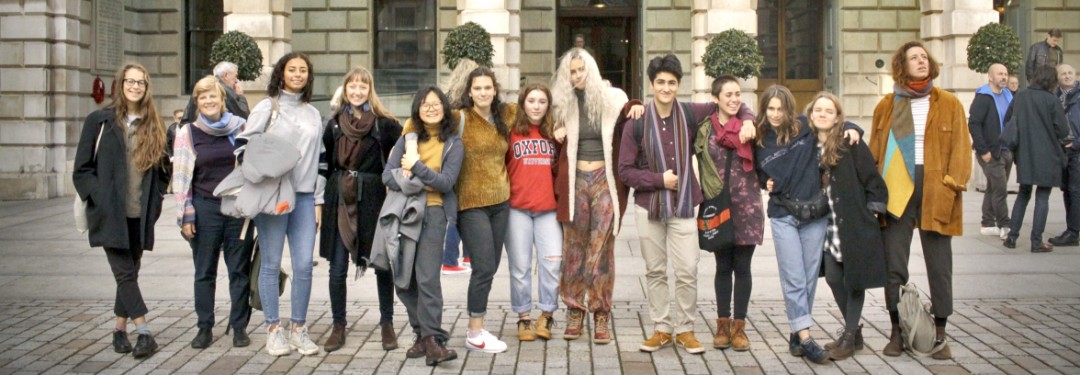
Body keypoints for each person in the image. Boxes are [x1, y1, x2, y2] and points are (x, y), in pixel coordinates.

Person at [618, 56, 753, 355]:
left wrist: (747, 119)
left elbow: (732, 103)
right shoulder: (636, 123)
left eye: (672, 83)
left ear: (679, 85)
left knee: (687, 269)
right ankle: (662, 329)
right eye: (660, 82)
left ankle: (686, 329)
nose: (666, 88)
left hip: (683, 206)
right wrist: (658, 179)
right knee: (655, 270)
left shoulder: (691, 113)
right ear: (652, 85)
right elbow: (624, 171)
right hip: (648, 207)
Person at [869, 41, 971, 360]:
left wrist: (953, 183)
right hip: (897, 189)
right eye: (914, 58)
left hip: (936, 188)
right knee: (893, 265)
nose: (921, 61)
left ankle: (940, 332)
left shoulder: (949, 103)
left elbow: (961, 148)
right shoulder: (887, 105)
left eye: (924, 57)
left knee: (940, 265)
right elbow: (874, 151)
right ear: (902, 65)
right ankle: (897, 330)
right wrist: (872, 192)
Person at [755, 84, 860, 364]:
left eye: (781, 109)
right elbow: (754, 172)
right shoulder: (758, 138)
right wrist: (762, 182)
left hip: (815, 215)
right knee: (794, 277)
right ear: (764, 109)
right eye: (771, 109)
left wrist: (853, 128)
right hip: (782, 214)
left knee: (809, 277)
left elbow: (831, 117)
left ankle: (796, 330)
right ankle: (806, 338)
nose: (776, 115)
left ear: (790, 110)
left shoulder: (803, 126)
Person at [72, 62, 170, 359]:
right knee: (125, 273)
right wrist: (99, 196)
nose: (135, 86)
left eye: (141, 82)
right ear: (121, 84)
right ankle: (144, 333)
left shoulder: (153, 124)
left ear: (146, 87)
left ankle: (118, 329)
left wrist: (156, 200)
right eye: (130, 81)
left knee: (130, 272)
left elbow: (164, 169)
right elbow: (81, 170)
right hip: (108, 213)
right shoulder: (99, 121)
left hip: (139, 214)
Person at [551, 48, 640, 344]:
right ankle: (575, 309)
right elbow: (549, 133)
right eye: (572, 72)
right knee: (574, 247)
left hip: (605, 180)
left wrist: (638, 106)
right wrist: (557, 132)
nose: (577, 76)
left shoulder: (612, 97)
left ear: (591, 69)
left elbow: (630, 119)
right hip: (576, 180)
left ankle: (601, 311)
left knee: (602, 248)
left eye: (581, 69)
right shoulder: (564, 103)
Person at [238, 52, 325, 356]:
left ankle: (299, 329)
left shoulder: (313, 113)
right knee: (271, 264)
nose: (298, 74)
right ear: (282, 73)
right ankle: (273, 329)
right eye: (292, 69)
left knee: (304, 265)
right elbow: (244, 144)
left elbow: (321, 159)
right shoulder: (267, 107)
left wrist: (318, 198)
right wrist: (261, 174)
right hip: (273, 195)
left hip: (302, 197)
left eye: (303, 70)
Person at [318, 66, 403, 352]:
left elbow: (407, 146)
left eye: (362, 87)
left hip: (374, 200)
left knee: (382, 264)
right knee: (337, 267)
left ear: (370, 90)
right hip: (339, 200)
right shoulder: (332, 124)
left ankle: (387, 323)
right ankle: (338, 325)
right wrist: (319, 201)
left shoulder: (384, 124)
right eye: (352, 86)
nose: (357, 91)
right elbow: (325, 165)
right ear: (345, 89)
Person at [384, 86, 463, 366]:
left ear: (445, 108)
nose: (431, 108)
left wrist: (415, 166)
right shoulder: (407, 139)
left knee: (427, 277)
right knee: (403, 280)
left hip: (434, 212)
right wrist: (422, 179)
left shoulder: (453, 142)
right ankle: (421, 333)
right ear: (417, 109)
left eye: (436, 103)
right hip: (404, 213)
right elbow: (387, 176)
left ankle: (432, 340)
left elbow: (446, 183)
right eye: (425, 104)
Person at [171, 75, 251, 349]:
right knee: (204, 272)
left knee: (238, 270)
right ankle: (204, 327)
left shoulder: (241, 127)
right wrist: (185, 214)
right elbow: (181, 178)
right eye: (202, 97)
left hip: (237, 208)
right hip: (204, 208)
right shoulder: (187, 133)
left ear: (222, 99)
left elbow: (252, 167)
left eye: (213, 96)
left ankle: (239, 327)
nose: (208, 101)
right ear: (197, 102)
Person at [808, 92, 888, 361]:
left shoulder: (849, 143)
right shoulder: (807, 145)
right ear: (810, 114)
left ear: (838, 118)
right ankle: (854, 331)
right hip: (827, 224)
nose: (822, 114)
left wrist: (874, 209)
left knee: (854, 279)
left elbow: (872, 178)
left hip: (853, 221)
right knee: (832, 277)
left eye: (828, 111)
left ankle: (850, 334)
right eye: (818, 110)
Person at [691, 75, 764, 353]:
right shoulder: (705, 127)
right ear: (716, 98)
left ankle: (739, 327)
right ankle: (722, 325)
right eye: (728, 95)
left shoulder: (751, 126)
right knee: (722, 267)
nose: (734, 99)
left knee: (743, 268)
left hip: (747, 206)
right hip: (717, 205)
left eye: (737, 94)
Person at [447, 66, 515, 353]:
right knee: (484, 265)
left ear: (495, 90)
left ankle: (478, 325)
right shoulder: (459, 117)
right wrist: (407, 147)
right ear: (469, 91)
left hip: (500, 202)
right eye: (478, 88)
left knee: (491, 266)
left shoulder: (507, 115)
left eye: (488, 88)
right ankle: (475, 332)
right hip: (470, 203)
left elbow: (544, 108)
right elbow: (418, 121)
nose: (484, 92)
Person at [505, 83, 561, 342]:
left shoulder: (554, 134)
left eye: (542, 101)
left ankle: (547, 314)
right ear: (522, 103)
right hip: (517, 209)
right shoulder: (511, 132)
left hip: (548, 209)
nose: (536, 106)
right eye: (531, 101)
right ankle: (524, 317)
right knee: (520, 266)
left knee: (551, 263)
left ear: (548, 105)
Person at [1003, 65, 1072, 253]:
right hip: (1047, 154)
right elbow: (1063, 130)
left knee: (1023, 194)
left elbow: (1009, 120)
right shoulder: (1051, 100)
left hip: (1024, 153)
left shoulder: (1021, 96)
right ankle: (1036, 241)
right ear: (1051, 81)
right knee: (1042, 196)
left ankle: (1012, 237)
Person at [438, 58, 479, 275]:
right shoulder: (470, 104)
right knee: (466, 209)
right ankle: (456, 258)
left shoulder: (446, 101)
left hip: (448, 160)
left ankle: (456, 257)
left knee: (453, 210)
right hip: (467, 161)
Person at [969, 63, 1014, 240]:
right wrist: (983, 150)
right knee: (1000, 189)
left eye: (1006, 73)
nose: (1004, 77)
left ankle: (987, 223)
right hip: (990, 152)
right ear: (990, 77)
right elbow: (974, 124)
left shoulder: (1008, 95)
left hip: (1007, 150)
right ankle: (1005, 225)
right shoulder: (983, 97)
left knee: (993, 187)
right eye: (1000, 74)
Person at [1050, 64, 1080, 247]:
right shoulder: (1055, 97)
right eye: (1063, 73)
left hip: (1077, 150)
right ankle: (1071, 228)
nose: (1067, 76)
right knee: (1066, 190)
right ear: (1058, 77)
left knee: (1075, 191)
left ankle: (1073, 232)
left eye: (1070, 73)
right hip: (1061, 150)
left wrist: (1076, 143)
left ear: (1075, 75)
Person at [183, 61, 251, 123]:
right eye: (235, 76)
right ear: (226, 76)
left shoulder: (200, 87)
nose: (236, 81)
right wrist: (241, 96)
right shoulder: (225, 89)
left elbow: (186, 117)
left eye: (212, 96)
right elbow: (244, 116)